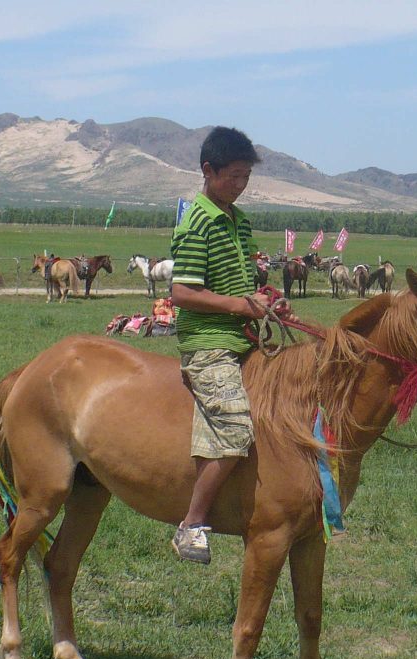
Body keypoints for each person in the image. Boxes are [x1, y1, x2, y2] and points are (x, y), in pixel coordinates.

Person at [169, 126, 272, 564]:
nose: (240, 185)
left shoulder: (238, 221)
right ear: (207, 171)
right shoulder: (198, 222)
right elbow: (182, 292)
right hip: (209, 342)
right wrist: (241, 305)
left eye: (246, 176)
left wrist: (265, 301)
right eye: (233, 176)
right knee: (233, 426)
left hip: (241, 335)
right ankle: (192, 524)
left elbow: (242, 284)